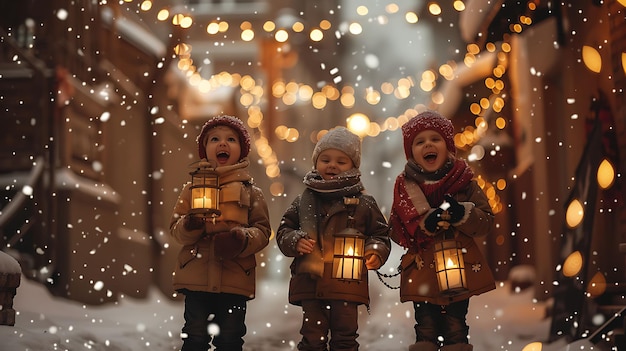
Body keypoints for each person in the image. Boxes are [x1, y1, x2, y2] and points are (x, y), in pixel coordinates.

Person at [389, 110, 496, 351]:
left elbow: (485, 220)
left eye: (435, 139)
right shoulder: (406, 187)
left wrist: (462, 214)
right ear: (412, 152)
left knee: (456, 326)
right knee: (425, 327)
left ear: (448, 147)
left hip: (457, 269)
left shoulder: (465, 182)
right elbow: (395, 228)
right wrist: (423, 225)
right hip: (422, 269)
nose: (428, 144)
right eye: (420, 141)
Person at [277, 127, 391, 351]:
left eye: (341, 161)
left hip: (347, 285)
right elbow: (284, 230)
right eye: (325, 159)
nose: (332, 165)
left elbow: (380, 234)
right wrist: (295, 240)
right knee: (312, 338)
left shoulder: (363, 203)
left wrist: (375, 250)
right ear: (316, 162)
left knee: (345, 338)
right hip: (311, 284)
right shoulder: (303, 201)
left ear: (353, 166)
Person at [169, 115, 271, 351]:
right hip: (196, 274)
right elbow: (175, 229)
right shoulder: (191, 188)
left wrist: (242, 239)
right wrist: (191, 224)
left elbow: (263, 230)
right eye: (214, 139)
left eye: (231, 140)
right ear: (204, 149)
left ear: (242, 150)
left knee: (230, 338)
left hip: (235, 276)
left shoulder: (251, 192)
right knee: (195, 336)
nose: (223, 144)